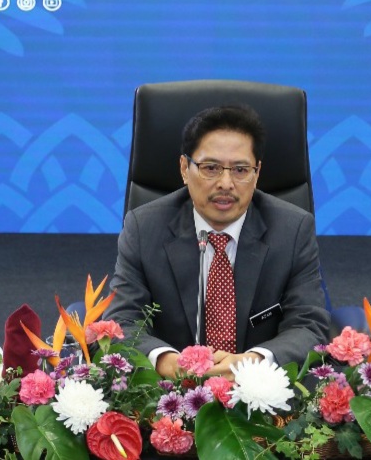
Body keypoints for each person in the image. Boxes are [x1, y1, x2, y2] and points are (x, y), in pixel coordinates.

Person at [105, 104, 329, 379]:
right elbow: (121, 322)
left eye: (240, 170)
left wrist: (253, 362)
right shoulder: (143, 228)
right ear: (184, 168)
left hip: (261, 391)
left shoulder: (292, 230)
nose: (225, 183)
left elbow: (309, 326)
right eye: (210, 168)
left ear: (257, 173)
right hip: (170, 393)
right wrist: (165, 361)